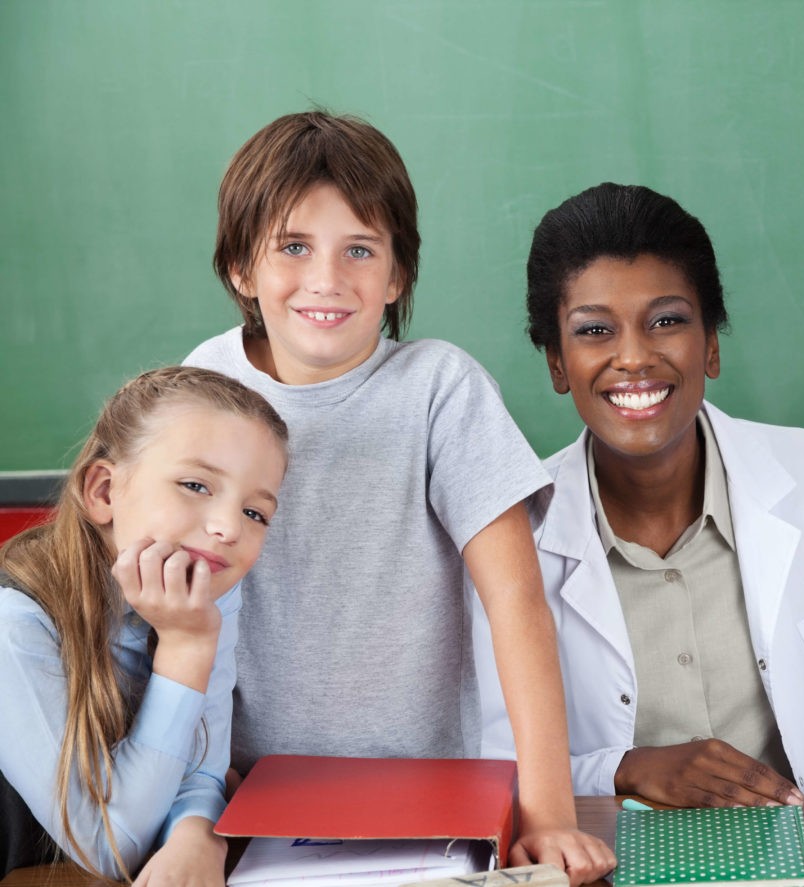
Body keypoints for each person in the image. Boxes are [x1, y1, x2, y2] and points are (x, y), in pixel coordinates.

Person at [185, 111, 613, 884]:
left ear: (398, 274)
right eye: (292, 246)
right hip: (241, 796)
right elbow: (178, 610)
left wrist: (550, 812)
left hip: (425, 800)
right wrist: (193, 810)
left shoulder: (440, 388)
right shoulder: (202, 389)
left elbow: (517, 601)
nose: (326, 278)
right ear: (241, 269)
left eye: (360, 248)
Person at [473, 182, 804, 807]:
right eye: (594, 331)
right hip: (609, 862)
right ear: (557, 363)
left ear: (711, 344)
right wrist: (626, 769)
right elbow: (492, 762)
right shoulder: (509, 536)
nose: (634, 357)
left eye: (667, 321)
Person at [0, 366, 288, 883]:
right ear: (105, 491)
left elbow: (202, 761)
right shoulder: (13, 625)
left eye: (255, 513)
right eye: (196, 485)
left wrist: (198, 832)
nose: (226, 528)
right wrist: (184, 650)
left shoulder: (201, 584)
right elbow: (109, 846)